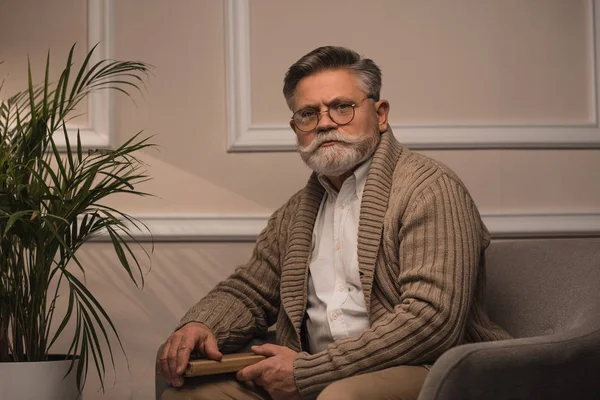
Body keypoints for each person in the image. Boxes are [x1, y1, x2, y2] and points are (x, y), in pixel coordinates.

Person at [158, 46, 510, 400]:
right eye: (308, 114)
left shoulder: (431, 189)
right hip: (313, 371)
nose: (325, 123)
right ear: (296, 128)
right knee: (187, 393)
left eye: (342, 107)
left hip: (431, 370)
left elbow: (431, 320)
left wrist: (309, 373)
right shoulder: (295, 213)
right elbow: (250, 291)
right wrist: (201, 323)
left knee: (340, 397)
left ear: (380, 113)